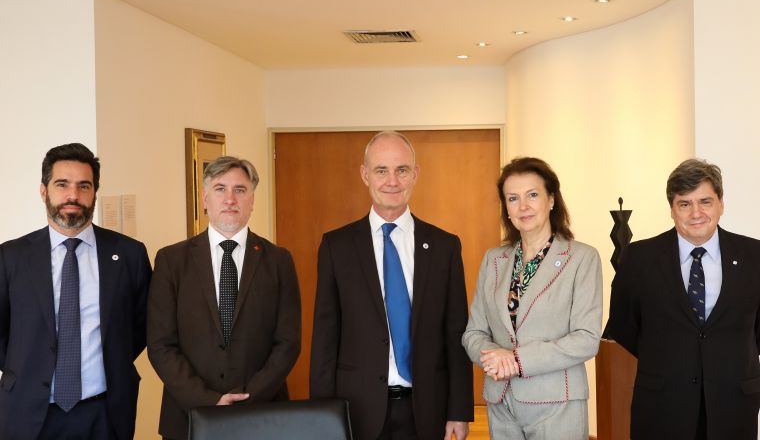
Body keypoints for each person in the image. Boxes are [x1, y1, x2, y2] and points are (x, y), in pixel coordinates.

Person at [310, 131, 474, 440]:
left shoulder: (444, 246)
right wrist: (321, 414)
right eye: (381, 170)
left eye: (402, 170)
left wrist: (459, 409)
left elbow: (456, 334)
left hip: (426, 408)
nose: (392, 181)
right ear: (365, 175)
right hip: (356, 408)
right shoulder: (337, 246)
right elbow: (325, 336)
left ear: (416, 174)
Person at [0, 143, 151, 440]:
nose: (73, 196)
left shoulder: (129, 255)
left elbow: (141, 326)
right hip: (28, 414)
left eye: (84, 186)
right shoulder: (10, 257)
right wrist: (27, 367)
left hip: (104, 414)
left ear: (95, 192)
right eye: (62, 185)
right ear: (44, 191)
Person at [147, 156, 301, 440]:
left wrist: (249, 397)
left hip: (263, 415)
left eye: (240, 190)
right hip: (188, 417)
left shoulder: (278, 261)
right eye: (220, 189)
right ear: (205, 199)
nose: (230, 199)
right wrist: (207, 400)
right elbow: (161, 345)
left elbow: (288, 343)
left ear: (252, 199)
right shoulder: (172, 260)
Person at [605, 159, 760, 440]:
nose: (696, 212)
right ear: (672, 209)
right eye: (684, 204)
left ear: (721, 204)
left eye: (705, 201)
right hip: (662, 407)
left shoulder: (755, 256)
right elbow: (623, 325)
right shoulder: (639, 258)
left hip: (733, 406)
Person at [462, 157, 602, 440]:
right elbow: (473, 333)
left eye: (533, 195)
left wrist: (516, 359)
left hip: (557, 403)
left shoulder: (582, 258)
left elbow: (586, 338)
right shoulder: (494, 260)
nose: (523, 206)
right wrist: (493, 359)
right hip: (501, 401)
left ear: (551, 200)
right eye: (513, 198)